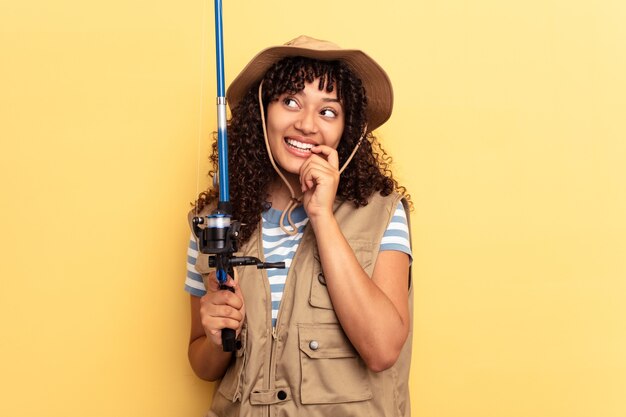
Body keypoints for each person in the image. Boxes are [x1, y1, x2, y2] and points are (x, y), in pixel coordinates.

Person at [184, 35, 413, 417]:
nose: (306, 124)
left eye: (328, 111)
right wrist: (215, 334)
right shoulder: (214, 220)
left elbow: (382, 349)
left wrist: (322, 215)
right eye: (290, 101)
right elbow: (202, 365)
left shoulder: (383, 213)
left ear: (348, 127)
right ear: (263, 112)